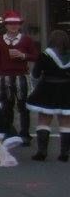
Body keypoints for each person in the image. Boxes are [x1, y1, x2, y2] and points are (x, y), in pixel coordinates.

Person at [0, 10, 38, 144]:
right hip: (4, 76)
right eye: (10, 24)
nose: (13, 26)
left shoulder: (27, 40)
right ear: (5, 25)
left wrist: (23, 55)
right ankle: (9, 132)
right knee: (6, 106)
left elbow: (36, 56)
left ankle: (25, 134)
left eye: (16, 24)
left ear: (20, 25)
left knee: (23, 106)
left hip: (21, 76)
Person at [26, 29, 70, 162]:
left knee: (44, 119)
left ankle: (42, 152)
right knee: (66, 122)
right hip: (66, 89)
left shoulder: (44, 55)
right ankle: (64, 153)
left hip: (47, 89)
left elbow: (35, 74)